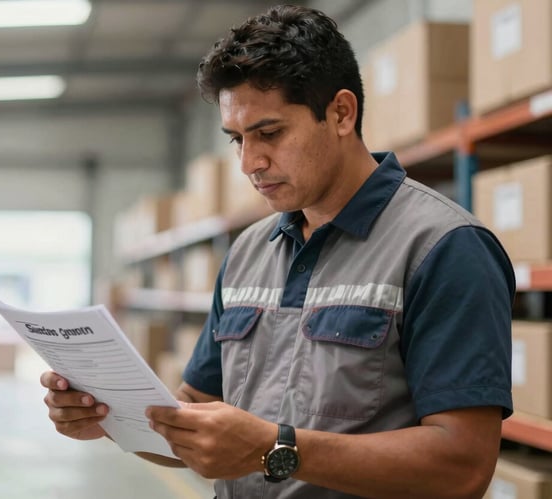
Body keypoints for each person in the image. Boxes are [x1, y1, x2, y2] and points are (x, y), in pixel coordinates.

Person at [40, 4, 514, 498]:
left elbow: (463, 466)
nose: (250, 162)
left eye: (269, 134)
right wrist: (109, 417)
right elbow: (194, 411)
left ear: (341, 113)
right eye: (236, 140)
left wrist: (275, 448)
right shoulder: (249, 251)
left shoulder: (442, 247)